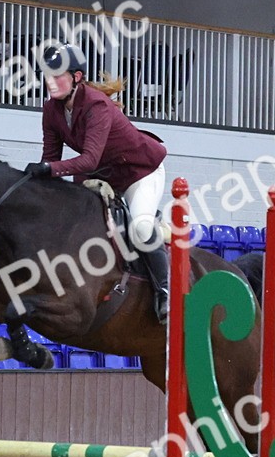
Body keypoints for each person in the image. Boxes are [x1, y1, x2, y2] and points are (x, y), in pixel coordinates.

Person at [24, 43, 171, 319]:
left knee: (139, 228)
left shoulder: (96, 105)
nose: (49, 82)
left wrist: (48, 169)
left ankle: (165, 292)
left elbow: (88, 159)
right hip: (103, 174)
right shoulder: (51, 110)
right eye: (47, 76)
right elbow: (51, 158)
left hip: (139, 172)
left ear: (76, 77)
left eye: (57, 76)